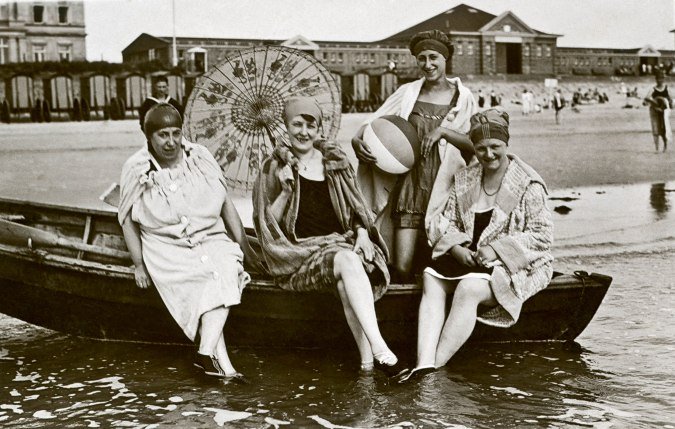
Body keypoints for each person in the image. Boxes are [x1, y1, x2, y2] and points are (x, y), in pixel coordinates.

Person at [253, 97, 407, 377]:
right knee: (348, 261)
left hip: (341, 245)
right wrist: (286, 191)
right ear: (286, 127)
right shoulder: (273, 168)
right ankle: (381, 347)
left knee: (347, 278)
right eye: (296, 124)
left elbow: (356, 207)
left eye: (310, 126)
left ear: (319, 129)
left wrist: (361, 233)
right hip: (298, 258)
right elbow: (267, 227)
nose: (303, 132)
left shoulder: (335, 162)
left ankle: (368, 366)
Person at [399, 109, 553, 382]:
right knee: (430, 277)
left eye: (496, 147)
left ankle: (433, 369)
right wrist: (457, 248)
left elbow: (542, 236)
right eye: (481, 149)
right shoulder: (466, 179)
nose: (489, 155)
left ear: (507, 143)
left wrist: (496, 249)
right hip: (470, 260)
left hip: (513, 265)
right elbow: (448, 222)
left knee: (468, 289)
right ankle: (423, 362)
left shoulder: (529, 183)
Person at [119, 104, 259, 382]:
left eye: (176, 133)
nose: (171, 142)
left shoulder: (200, 157)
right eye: (162, 135)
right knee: (204, 279)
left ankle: (207, 355)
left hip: (210, 237)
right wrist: (138, 265)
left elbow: (225, 203)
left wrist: (244, 245)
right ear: (149, 137)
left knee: (226, 268)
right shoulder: (136, 167)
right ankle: (221, 366)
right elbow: (125, 218)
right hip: (166, 247)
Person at [351, 30, 477, 280]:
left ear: (445, 58)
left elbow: (474, 146)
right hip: (409, 185)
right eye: (421, 58)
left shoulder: (464, 97)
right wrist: (357, 139)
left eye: (433, 57)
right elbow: (375, 122)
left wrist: (443, 132)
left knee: (439, 261)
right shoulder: (408, 92)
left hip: (445, 189)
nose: (427, 64)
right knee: (402, 266)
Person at [643, 71, 672, 152]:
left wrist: (669, 104)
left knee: (663, 129)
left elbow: (671, 100)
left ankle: (665, 146)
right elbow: (646, 98)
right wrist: (653, 103)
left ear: (663, 79)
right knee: (655, 129)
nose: (660, 80)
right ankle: (657, 148)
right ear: (656, 80)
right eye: (658, 79)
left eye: (661, 79)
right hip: (654, 111)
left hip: (664, 112)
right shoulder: (653, 89)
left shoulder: (667, 89)